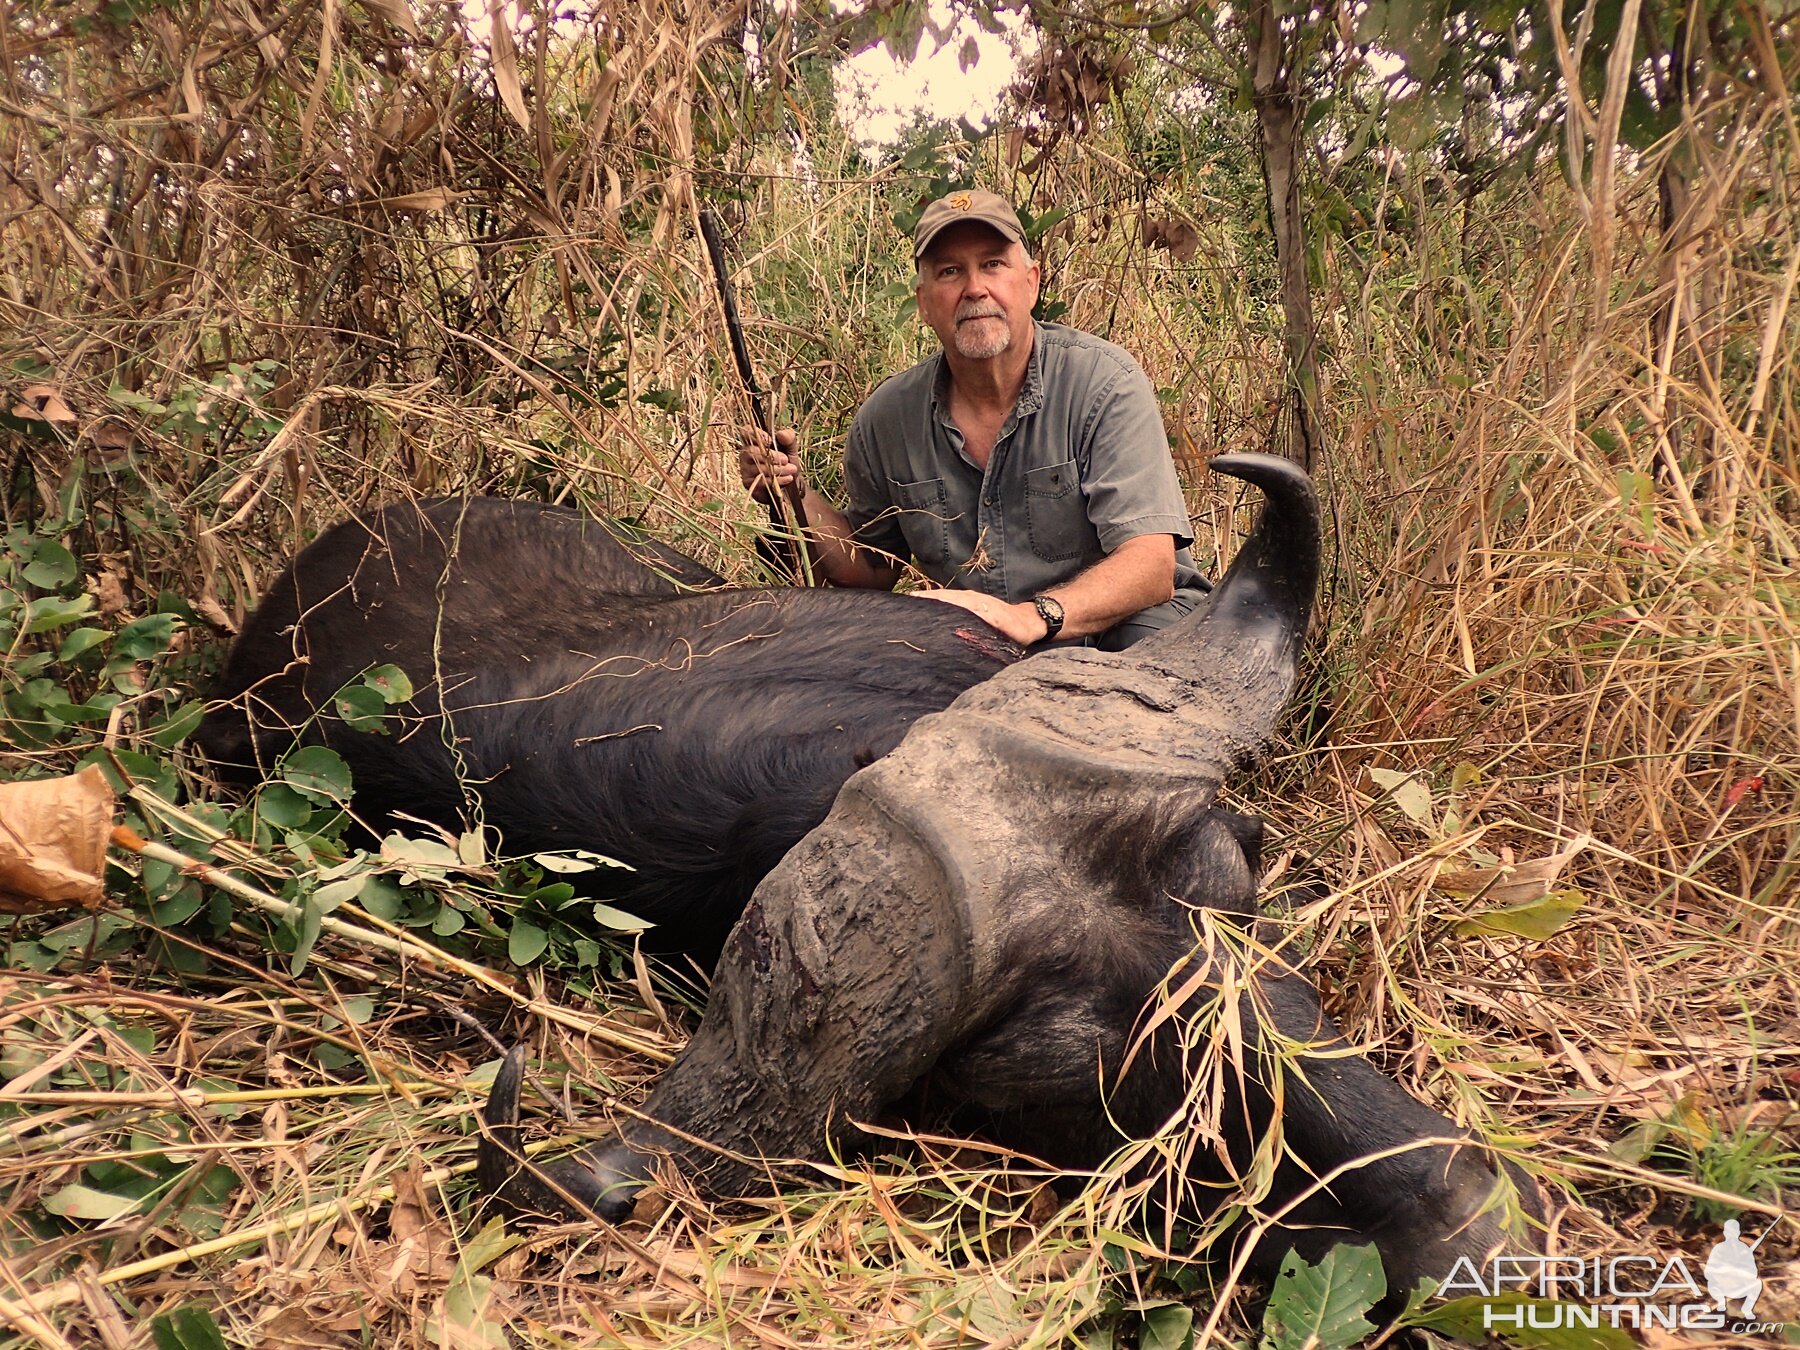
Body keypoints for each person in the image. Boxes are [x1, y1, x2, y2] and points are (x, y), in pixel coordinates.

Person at [738, 188, 1209, 650]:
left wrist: (1032, 617)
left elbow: (1150, 567)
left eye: (993, 264)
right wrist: (793, 494)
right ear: (924, 303)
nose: (974, 288)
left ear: (1031, 283)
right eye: (950, 271)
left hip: (1127, 626)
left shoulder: (1104, 383)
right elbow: (871, 569)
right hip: (991, 643)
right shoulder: (887, 419)